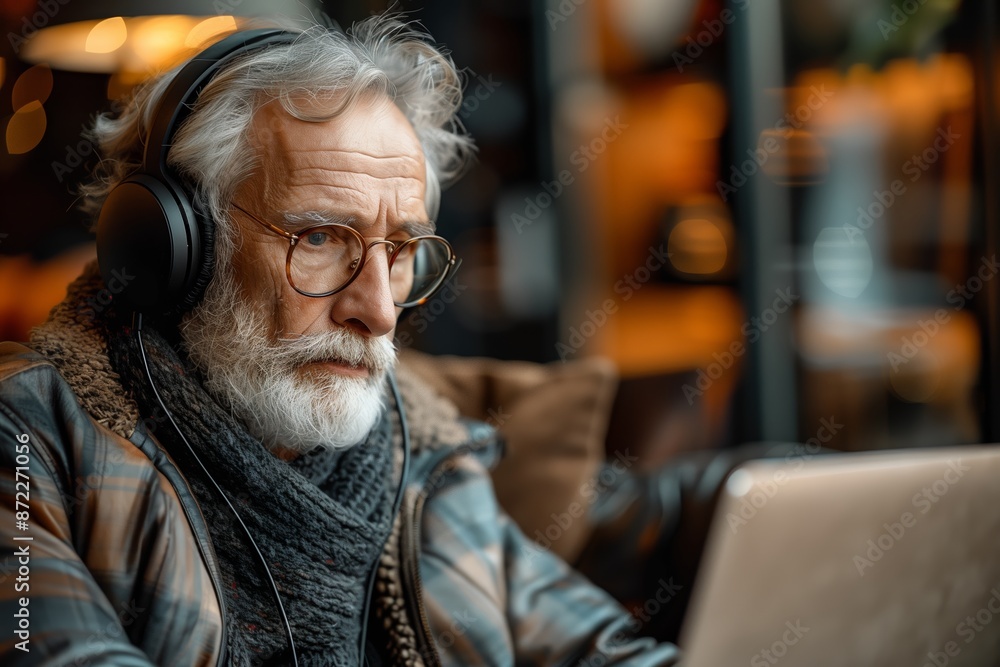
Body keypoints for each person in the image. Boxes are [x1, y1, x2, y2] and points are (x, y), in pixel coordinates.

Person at [0, 16, 680, 667]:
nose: (379, 309)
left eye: (403, 247)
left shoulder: (427, 456)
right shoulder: (30, 436)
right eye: (321, 238)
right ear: (174, 246)